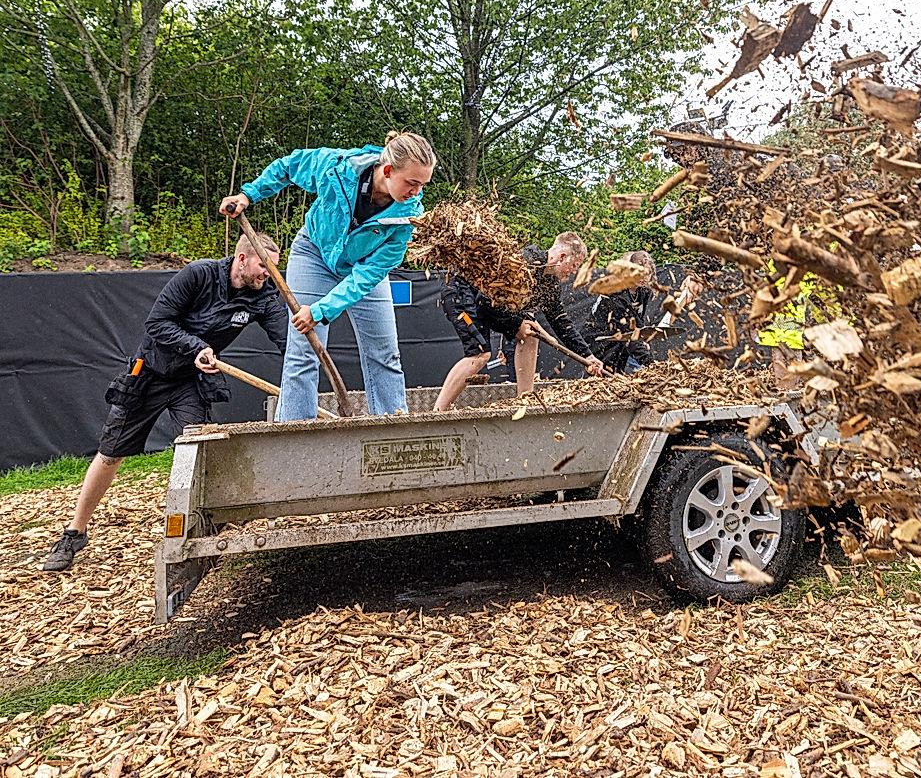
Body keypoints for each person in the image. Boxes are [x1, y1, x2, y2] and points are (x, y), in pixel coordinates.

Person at [43, 236, 289, 572]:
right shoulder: (198, 275)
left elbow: (288, 343)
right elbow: (157, 323)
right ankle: (74, 533)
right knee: (111, 452)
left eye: (273, 267)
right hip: (151, 373)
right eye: (264, 265)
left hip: (191, 382)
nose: (269, 273)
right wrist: (197, 347)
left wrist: (305, 360)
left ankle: (204, 532)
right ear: (242, 258)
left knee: (199, 451)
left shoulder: (264, 297)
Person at [220, 132, 436, 420]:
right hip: (314, 255)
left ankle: (393, 432)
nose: (417, 191)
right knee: (303, 350)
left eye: (423, 184)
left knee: (385, 354)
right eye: (412, 183)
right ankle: (295, 437)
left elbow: (368, 275)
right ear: (387, 170)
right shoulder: (338, 167)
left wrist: (321, 310)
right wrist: (248, 195)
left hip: (362, 270)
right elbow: (289, 166)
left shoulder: (407, 217)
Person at [435, 232, 603, 410]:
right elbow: (484, 299)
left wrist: (587, 356)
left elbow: (559, 319)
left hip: (486, 302)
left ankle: (526, 399)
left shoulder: (549, 282)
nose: (574, 272)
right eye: (575, 265)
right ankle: (438, 412)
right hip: (463, 292)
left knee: (531, 334)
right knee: (480, 354)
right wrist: (517, 324)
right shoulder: (525, 263)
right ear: (562, 257)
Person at [582, 250, 657, 373]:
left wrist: (642, 338)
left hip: (619, 338)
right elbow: (627, 333)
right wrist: (652, 365)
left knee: (618, 373)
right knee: (601, 377)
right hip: (599, 338)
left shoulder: (644, 292)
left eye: (647, 273)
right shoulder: (615, 292)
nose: (643, 277)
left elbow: (637, 319)